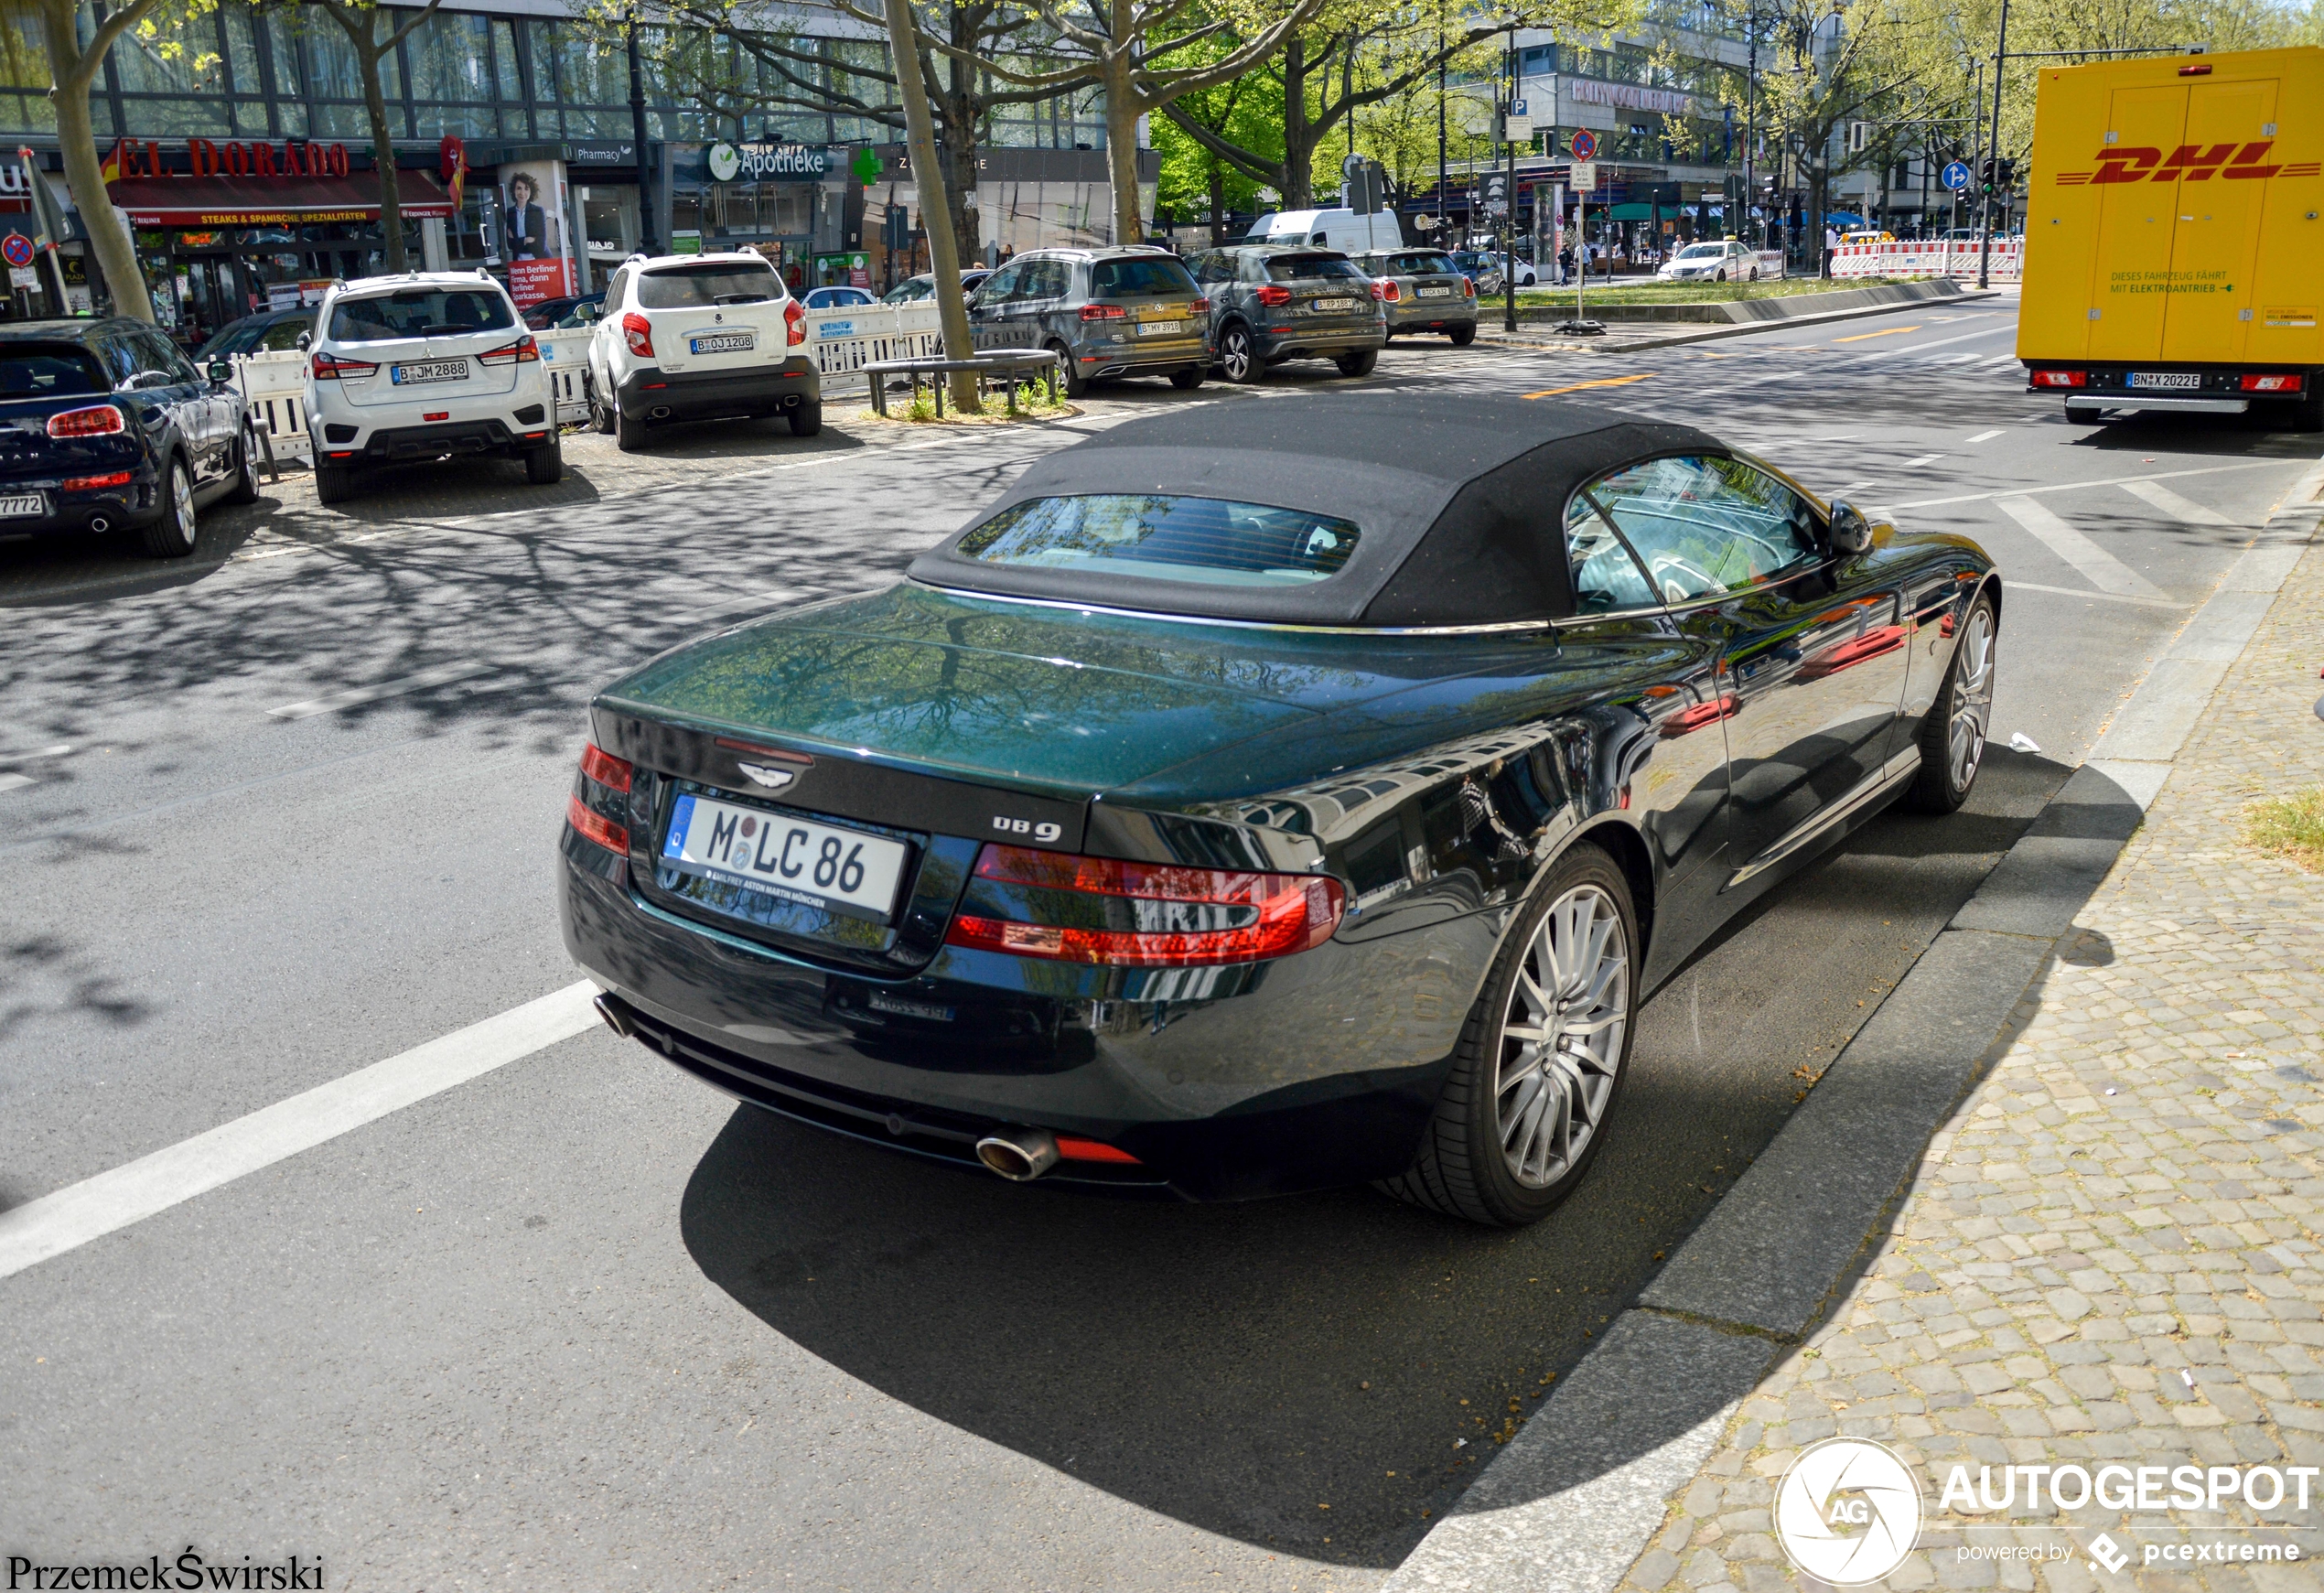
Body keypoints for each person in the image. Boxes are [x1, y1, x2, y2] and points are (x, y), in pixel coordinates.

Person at [505, 173, 548, 262]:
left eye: (526, 189)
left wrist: (517, 242)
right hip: (518, 264)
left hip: (538, 263)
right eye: (519, 188)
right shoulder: (510, 212)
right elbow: (510, 245)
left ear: (531, 191)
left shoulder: (537, 211)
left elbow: (541, 244)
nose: (522, 193)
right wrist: (526, 240)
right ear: (514, 190)